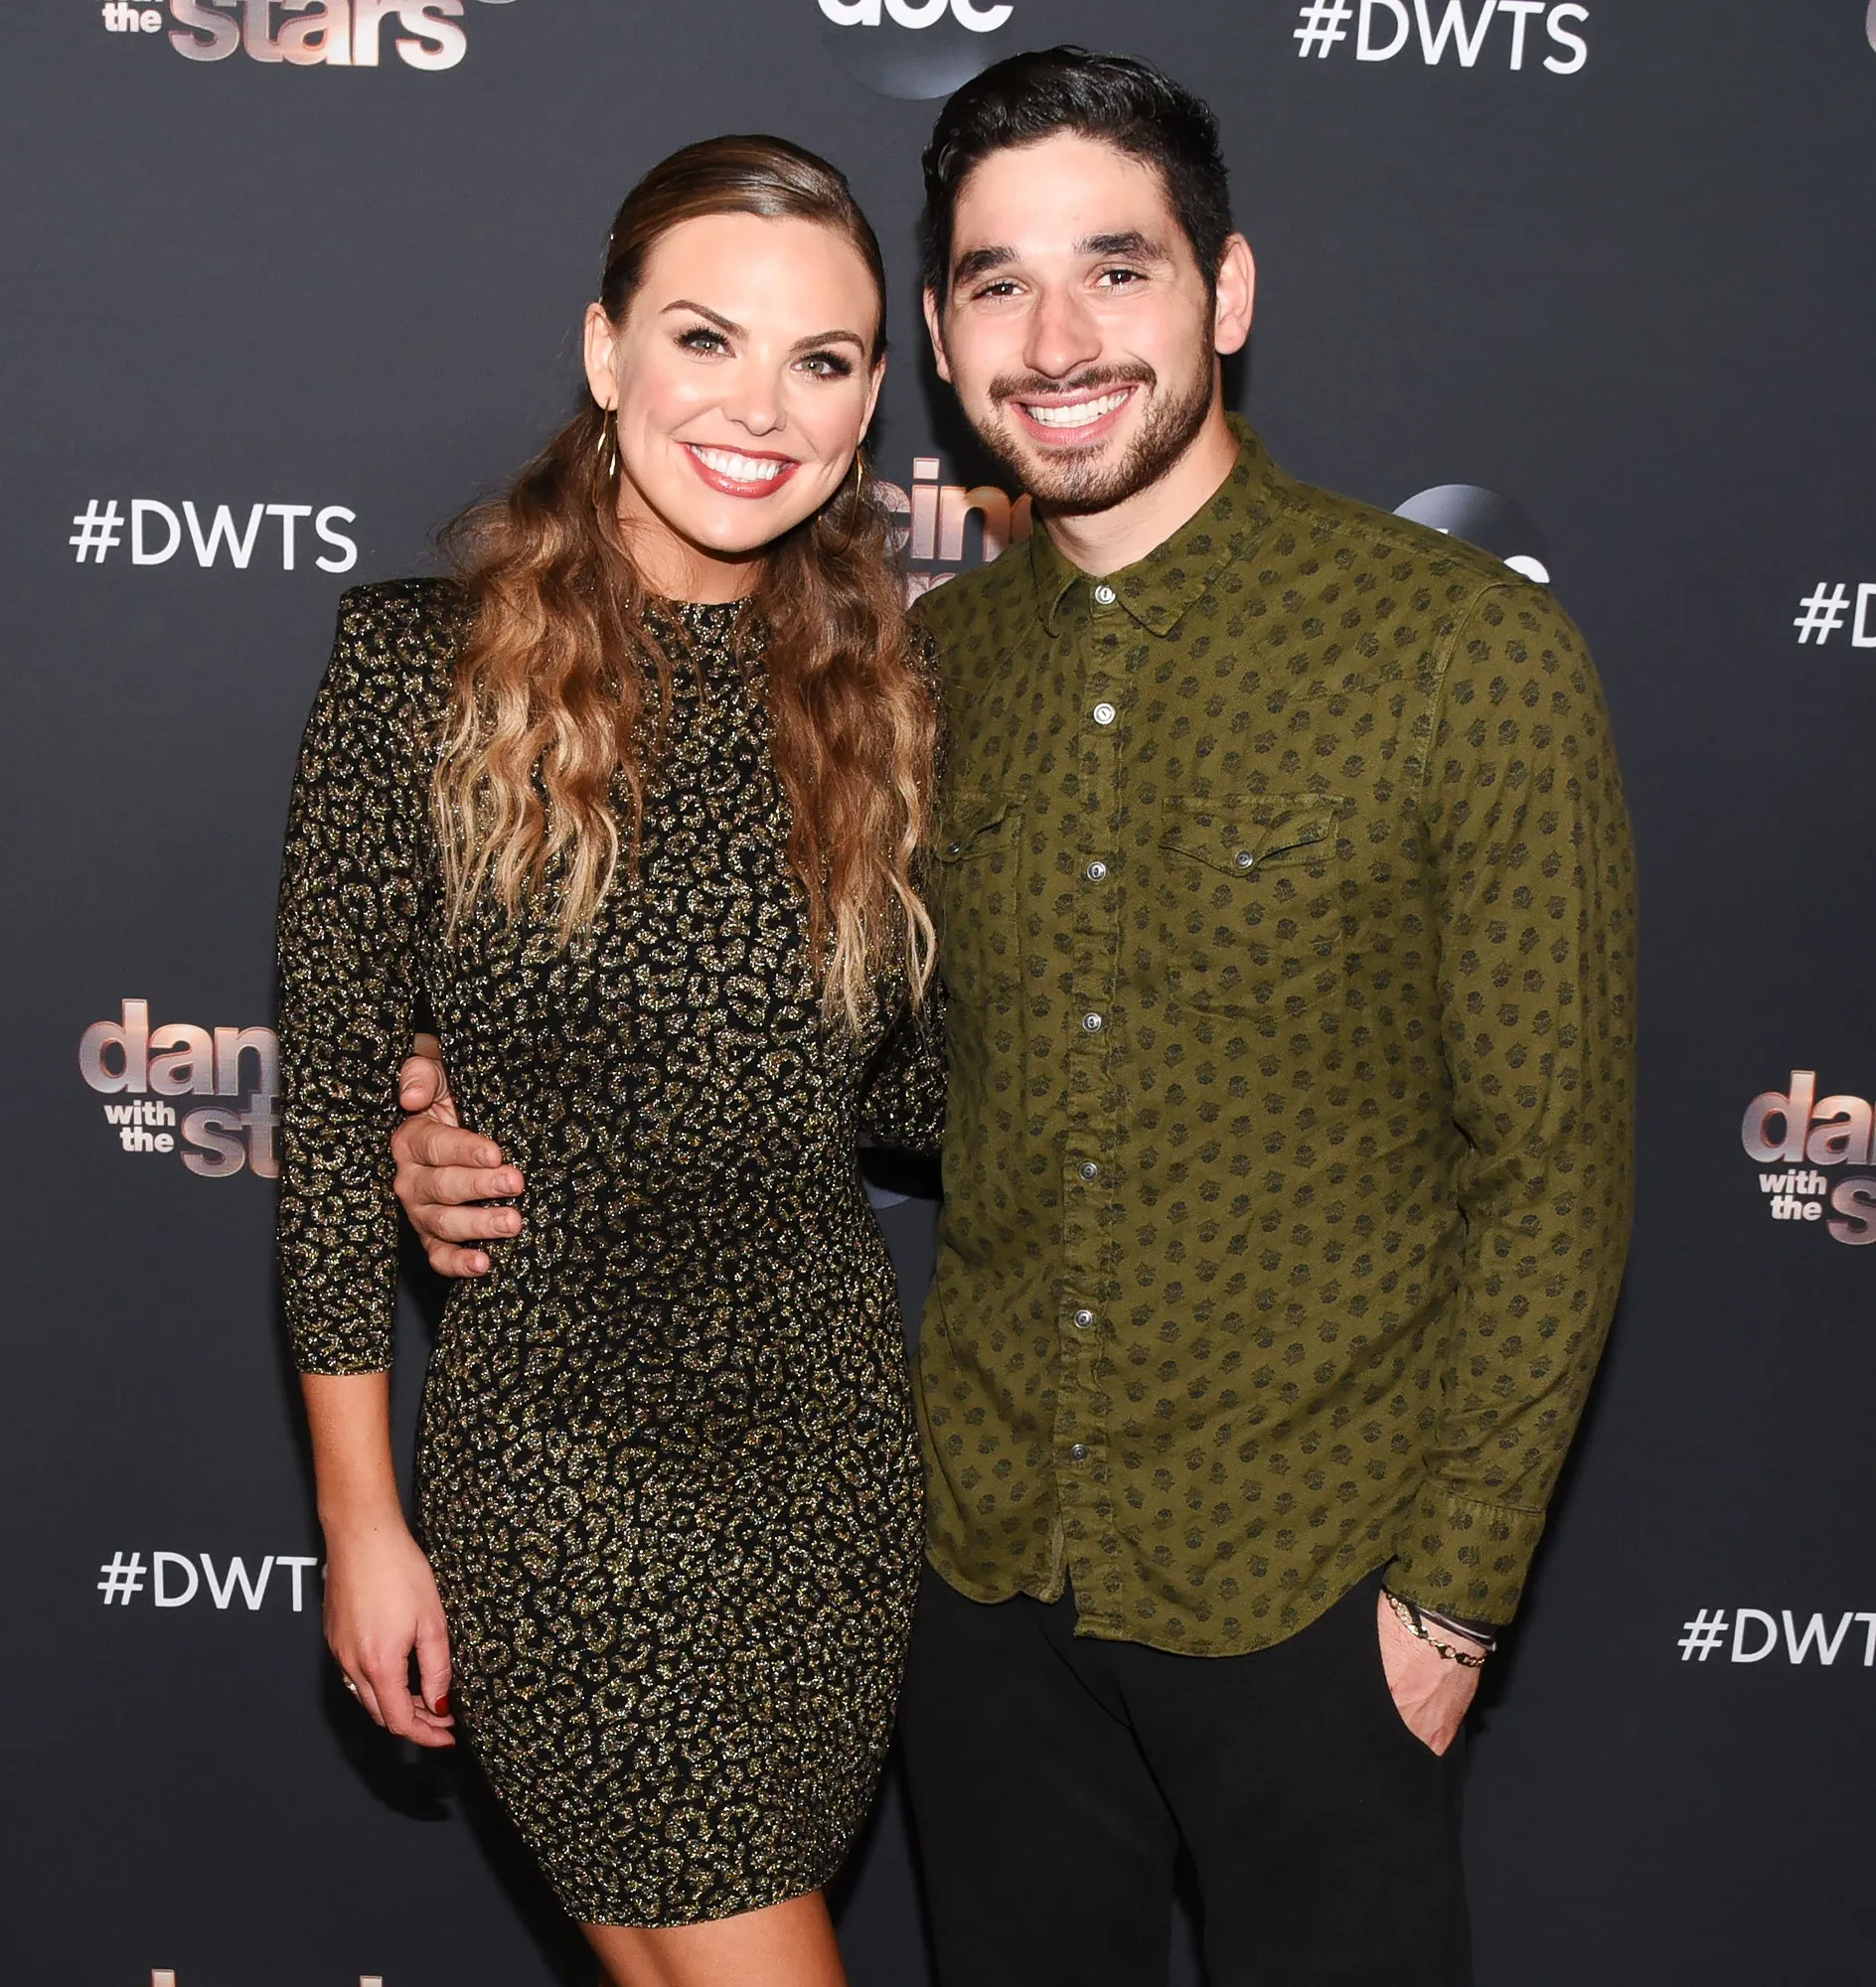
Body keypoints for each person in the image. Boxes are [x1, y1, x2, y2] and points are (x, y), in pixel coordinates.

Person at [391, 49, 1638, 1987]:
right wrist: (478, 1104)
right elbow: (835, 1064)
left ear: (1223, 294)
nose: (1056, 338)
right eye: (992, 283)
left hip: (1312, 1575)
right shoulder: (910, 674)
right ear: (945, 351)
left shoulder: (1460, 651)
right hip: (974, 1578)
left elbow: (1549, 1164)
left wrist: (1456, 1592)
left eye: (1114, 271)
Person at [275, 135, 947, 1987]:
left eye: (821, 361)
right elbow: (334, 1128)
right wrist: (361, 1525)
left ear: (875, 397)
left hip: (820, 1457)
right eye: (705, 339)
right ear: (604, 350)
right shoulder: (423, 673)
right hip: (554, 1449)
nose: (759, 407)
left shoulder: (897, 705)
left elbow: (912, 1090)